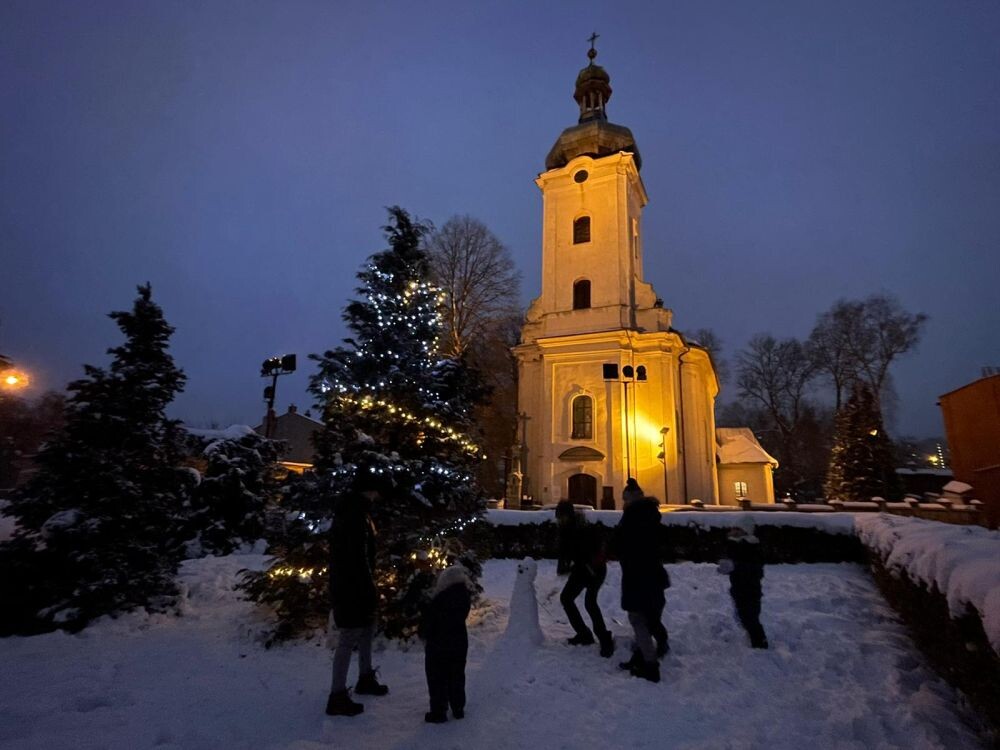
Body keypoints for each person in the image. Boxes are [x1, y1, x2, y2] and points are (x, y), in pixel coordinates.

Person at [325, 481, 390, 717]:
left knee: (366, 630)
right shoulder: (353, 517)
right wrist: (368, 586)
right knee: (349, 636)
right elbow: (356, 558)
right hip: (351, 587)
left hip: (357, 584)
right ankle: (337, 695)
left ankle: (365, 677)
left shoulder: (358, 513)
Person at [613, 480, 670, 683]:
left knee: (638, 619)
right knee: (648, 617)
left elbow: (623, 542)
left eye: (625, 499)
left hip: (638, 575)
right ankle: (642, 656)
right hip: (652, 573)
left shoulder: (633, 518)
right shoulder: (651, 515)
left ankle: (650, 664)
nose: (623, 503)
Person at [555, 500, 614, 657]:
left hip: (595, 570)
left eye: (562, 517)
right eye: (558, 517)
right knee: (566, 598)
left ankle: (604, 638)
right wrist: (563, 566)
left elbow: (589, 550)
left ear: (569, 515)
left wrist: (586, 563)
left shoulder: (582, 529)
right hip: (581, 570)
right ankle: (584, 634)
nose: (560, 520)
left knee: (590, 602)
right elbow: (565, 553)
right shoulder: (564, 531)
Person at [420, 563, 474, 723]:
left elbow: (429, 623)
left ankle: (438, 711)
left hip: (438, 645)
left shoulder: (440, 600)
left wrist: (424, 632)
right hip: (459, 642)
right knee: (456, 675)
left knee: (437, 677)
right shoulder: (464, 596)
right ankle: (458, 707)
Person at [717, 527, 768, 649]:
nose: (734, 532)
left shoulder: (752, 546)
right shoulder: (734, 544)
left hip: (751, 589)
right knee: (744, 616)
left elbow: (755, 569)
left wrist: (735, 566)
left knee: (751, 617)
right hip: (738, 587)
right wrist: (726, 567)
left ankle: (760, 644)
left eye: (738, 530)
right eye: (734, 530)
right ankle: (755, 641)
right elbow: (731, 562)